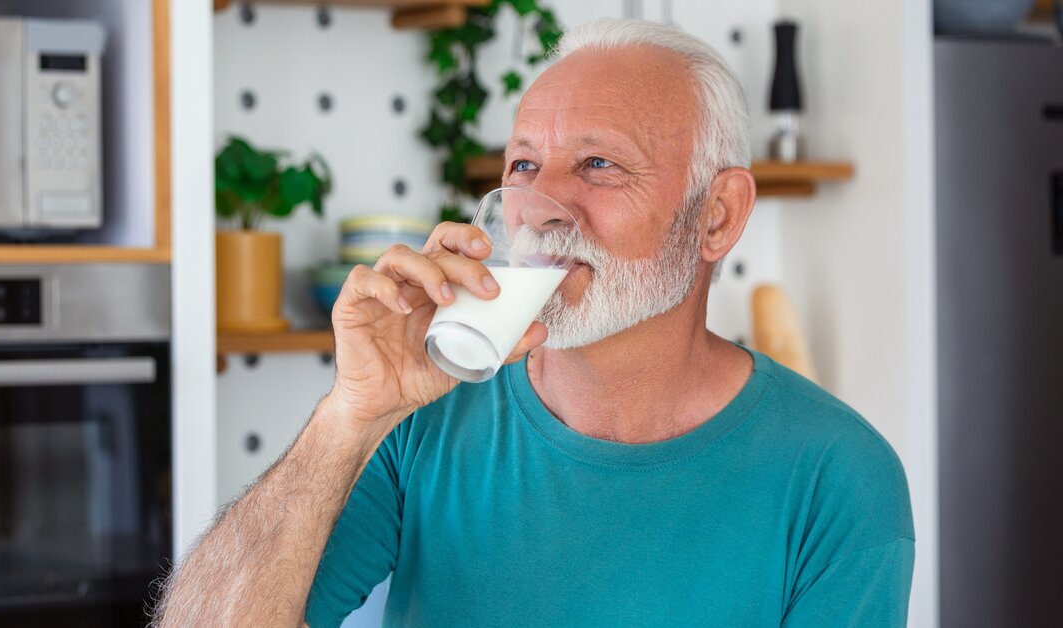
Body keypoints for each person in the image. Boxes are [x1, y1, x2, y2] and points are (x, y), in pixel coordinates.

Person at [154, 17, 914, 627]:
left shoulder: (836, 475)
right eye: (522, 166)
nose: (542, 210)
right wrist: (348, 416)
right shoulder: (425, 420)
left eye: (599, 166)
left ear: (716, 216)